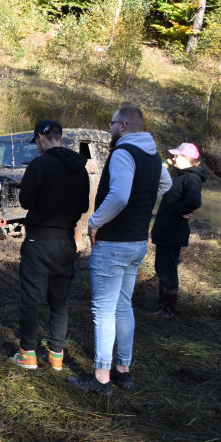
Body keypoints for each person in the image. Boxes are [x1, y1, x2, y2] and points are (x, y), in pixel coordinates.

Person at [68, 105, 171, 395]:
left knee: (103, 311)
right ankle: (123, 372)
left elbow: (120, 196)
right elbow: (165, 184)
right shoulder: (152, 155)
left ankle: (102, 378)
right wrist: (143, 197)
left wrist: (95, 223)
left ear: (123, 125)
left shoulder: (124, 153)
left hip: (114, 244)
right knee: (124, 306)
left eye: (111, 123)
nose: (110, 128)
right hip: (137, 243)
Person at [10, 120, 90, 372]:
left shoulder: (40, 164)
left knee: (31, 298)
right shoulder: (80, 168)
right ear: (60, 138)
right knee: (59, 301)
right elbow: (84, 206)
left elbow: (25, 202)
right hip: (66, 241)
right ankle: (56, 356)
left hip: (39, 240)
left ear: (41, 138)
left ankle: (28, 355)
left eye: (36, 143)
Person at [150, 142, 207, 317]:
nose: (173, 158)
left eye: (176, 156)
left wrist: (177, 211)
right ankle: (162, 307)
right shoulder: (182, 176)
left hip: (173, 232)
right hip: (167, 231)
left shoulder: (192, 178)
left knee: (168, 270)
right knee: (162, 267)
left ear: (186, 158)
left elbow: (194, 201)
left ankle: (167, 310)